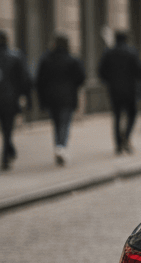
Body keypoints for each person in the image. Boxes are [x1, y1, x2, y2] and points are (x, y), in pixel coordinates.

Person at [35, 34, 85, 166]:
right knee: (64, 123)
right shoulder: (72, 60)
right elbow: (81, 78)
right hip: (67, 96)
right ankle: (61, 146)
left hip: (51, 97)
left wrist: (42, 97)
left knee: (56, 124)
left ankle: (58, 146)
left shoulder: (46, 59)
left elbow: (39, 80)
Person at [97, 30, 141, 154]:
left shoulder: (109, 52)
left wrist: (110, 81)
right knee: (132, 115)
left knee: (117, 117)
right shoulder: (131, 52)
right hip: (130, 90)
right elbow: (139, 71)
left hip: (114, 90)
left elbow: (101, 71)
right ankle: (126, 137)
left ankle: (118, 144)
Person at [0, 31, 31, 171]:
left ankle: (8, 151)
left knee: (6, 128)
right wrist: (25, 96)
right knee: (7, 128)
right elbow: (24, 79)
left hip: (8, 97)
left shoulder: (15, 56)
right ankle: (7, 153)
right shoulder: (15, 56)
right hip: (9, 98)